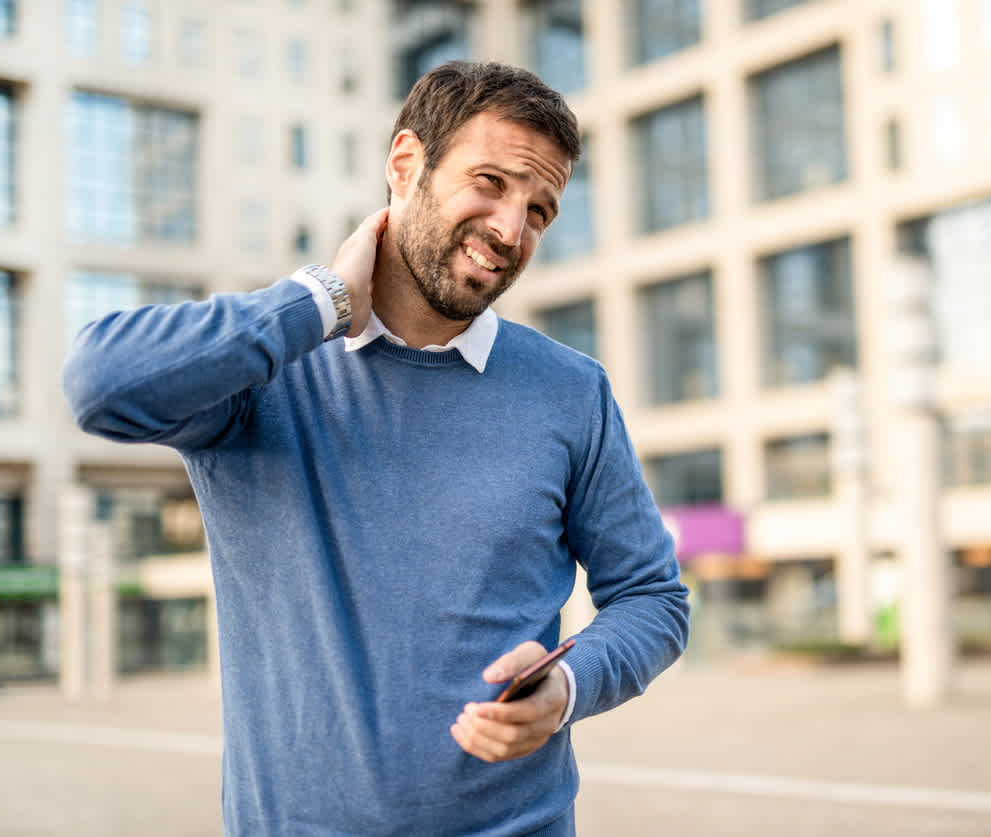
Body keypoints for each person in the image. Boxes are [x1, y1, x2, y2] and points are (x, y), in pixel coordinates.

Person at [62, 61, 689, 836]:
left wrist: (566, 687)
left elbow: (654, 598)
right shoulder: (265, 368)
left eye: (540, 209)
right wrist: (317, 300)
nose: (510, 228)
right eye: (490, 182)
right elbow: (97, 382)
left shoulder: (572, 392)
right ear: (405, 164)